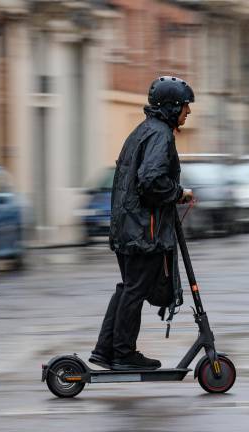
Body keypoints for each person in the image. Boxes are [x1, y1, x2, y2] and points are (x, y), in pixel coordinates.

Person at [90, 76, 195, 371]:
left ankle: (105, 350)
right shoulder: (160, 135)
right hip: (142, 230)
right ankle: (123, 354)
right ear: (172, 107)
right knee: (134, 290)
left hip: (129, 227)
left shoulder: (143, 131)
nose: (188, 112)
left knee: (128, 288)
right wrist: (178, 193)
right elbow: (150, 181)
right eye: (185, 107)